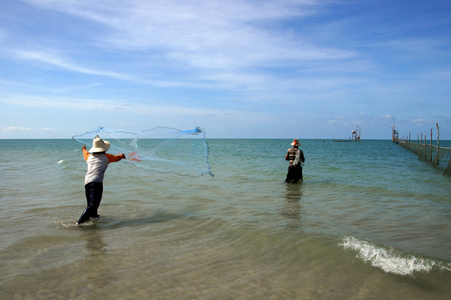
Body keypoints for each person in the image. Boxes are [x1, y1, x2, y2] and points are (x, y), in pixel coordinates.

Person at [76, 135, 126, 225]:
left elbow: (84, 153)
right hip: (96, 183)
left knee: (91, 204)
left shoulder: (89, 157)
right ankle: (79, 224)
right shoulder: (107, 157)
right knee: (93, 205)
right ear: (104, 149)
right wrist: (122, 156)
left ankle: (94, 218)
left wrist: (83, 148)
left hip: (87, 182)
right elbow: (116, 158)